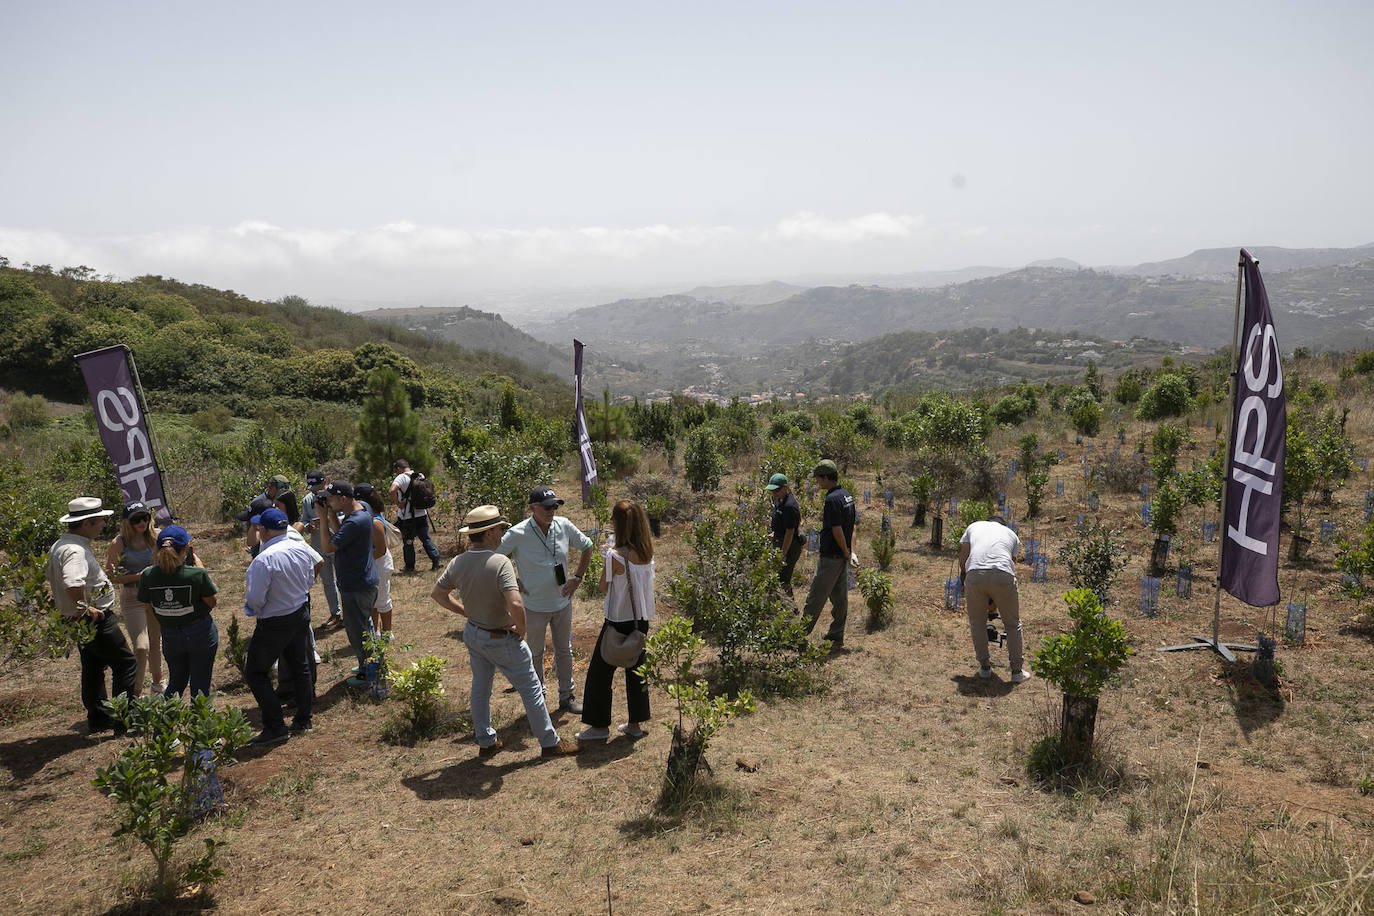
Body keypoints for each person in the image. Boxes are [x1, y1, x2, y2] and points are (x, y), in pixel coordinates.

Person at [429, 506, 580, 760]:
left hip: (474, 634)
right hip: (501, 638)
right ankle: (549, 742)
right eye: (499, 529)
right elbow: (516, 603)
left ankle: (486, 741)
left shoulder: (459, 561)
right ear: (489, 533)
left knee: (480, 688)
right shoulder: (500, 562)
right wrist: (521, 630)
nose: (502, 533)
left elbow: (438, 594)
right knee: (532, 688)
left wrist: (467, 613)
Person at [497, 486, 593, 714]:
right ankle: (538, 698)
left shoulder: (564, 525)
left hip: (562, 603)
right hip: (533, 607)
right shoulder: (518, 533)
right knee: (535, 653)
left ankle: (567, 696)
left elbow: (587, 546)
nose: (552, 511)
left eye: (555, 506)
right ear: (533, 508)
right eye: (547, 507)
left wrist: (577, 578)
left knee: (564, 650)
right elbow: (495, 557)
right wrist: (512, 582)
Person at [44, 497, 136, 734]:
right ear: (86, 524)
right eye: (100, 520)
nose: (104, 524)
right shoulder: (75, 551)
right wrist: (85, 607)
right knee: (126, 664)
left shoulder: (61, 545)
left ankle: (99, 718)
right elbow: (72, 582)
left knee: (93, 666)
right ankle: (125, 722)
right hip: (95, 619)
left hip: (77, 619)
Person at [577, 500, 654, 743]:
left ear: (618, 524)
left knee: (599, 674)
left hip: (618, 620)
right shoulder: (647, 553)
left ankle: (599, 727)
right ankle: (635, 724)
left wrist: (607, 555)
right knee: (636, 671)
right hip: (640, 621)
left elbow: (603, 586)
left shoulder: (615, 556)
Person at [243, 508, 321, 744]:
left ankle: (275, 725)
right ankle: (304, 719)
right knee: (300, 666)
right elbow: (309, 579)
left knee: (255, 672)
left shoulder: (264, 559)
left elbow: (255, 597)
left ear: (265, 531)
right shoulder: (301, 548)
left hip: (275, 620)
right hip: (299, 612)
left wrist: (253, 610)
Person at [137, 525, 219, 698]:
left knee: (176, 682)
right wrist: (202, 569)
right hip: (200, 632)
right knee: (200, 684)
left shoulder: (147, 575)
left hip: (170, 634)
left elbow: (149, 607)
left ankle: (165, 715)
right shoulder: (196, 574)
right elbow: (212, 602)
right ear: (186, 549)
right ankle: (199, 716)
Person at [321, 480, 379, 688]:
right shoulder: (359, 511)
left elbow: (328, 547)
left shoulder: (355, 521)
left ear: (343, 499)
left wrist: (322, 519)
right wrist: (331, 517)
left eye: (330, 499)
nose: (327, 503)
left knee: (358, 632)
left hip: (357, 585)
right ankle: (372, 665)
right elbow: (341, 537)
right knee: (365, 627)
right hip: (362, 581)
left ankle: (368, 674)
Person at [959, 517, 1031, 683]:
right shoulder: (1011, 534)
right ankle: (1016, 672)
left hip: (975, 572)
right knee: (1012, 624)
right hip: (1002, 574)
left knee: (977, 622)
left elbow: (963, 561)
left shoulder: (973, 527)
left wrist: (966, 580)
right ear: (1002, 525)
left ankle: (984, 668)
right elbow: (1010, 565)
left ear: (987, 522)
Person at [104, 501, 164, 696]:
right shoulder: (119, 543)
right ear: (126, 522)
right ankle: (135, 693)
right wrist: (140, 576)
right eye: (136, 519)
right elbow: (111, 576)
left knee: (155, 642)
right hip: (132, 597)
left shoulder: (156, 536)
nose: (142, 522)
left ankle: (158, 684)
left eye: (145, 517)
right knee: (141, 647)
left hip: (155, 596)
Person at [800, 460, 856, 651]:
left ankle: (798, 636)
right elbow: (852, 527)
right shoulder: (846, 495)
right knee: (840, 598)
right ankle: (836, 635)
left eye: (818, 478)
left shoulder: (832, 499)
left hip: (832, 556)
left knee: (815, 597)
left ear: (825, 477)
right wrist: (849, 552)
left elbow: (837, 529)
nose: (817, 482)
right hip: (841, 555)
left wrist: (846, 551)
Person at [301, 470, 343, 627]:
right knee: (328, 582)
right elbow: (304, 521)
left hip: (337, 544)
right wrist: (308, 526)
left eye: (317, 488)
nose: (314, 492)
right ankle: (335, 613)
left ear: (325, 482)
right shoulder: (307, 500)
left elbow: (346, 516)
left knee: (343, 580)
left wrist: (329, 518)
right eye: (312, 489)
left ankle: (348, 613)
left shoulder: (335, 496)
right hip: (320, 546)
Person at [355, 483, 396, 638]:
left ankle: (387, 634)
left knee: (382, 600)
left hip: (379, 564)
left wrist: (362, 561)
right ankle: (375, 633)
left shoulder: (375, 521)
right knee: (372, 601)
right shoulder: (369, 515)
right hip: (374, 562)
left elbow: (380, 550)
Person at [389, 458, 441, 572]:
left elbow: (392, 491)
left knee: (408, 542)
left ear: (399, 468)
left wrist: (398, 503)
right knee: (425, 538)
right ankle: (437, 560)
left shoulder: (401, 477)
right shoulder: (420, 475)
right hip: (422, 514)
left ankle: (409, 567)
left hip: (407, 517)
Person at [766, 474, 803, 596]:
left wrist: (783, 554)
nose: (774, 493)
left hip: (790, 545)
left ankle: (789, 606)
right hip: (780, 541)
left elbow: (790, 532)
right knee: (777, 576)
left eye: (777, 490)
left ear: (785, 487)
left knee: (783, 579)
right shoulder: (779, 500)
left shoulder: (789, 506)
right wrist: (775, 533)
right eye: (772, 490)